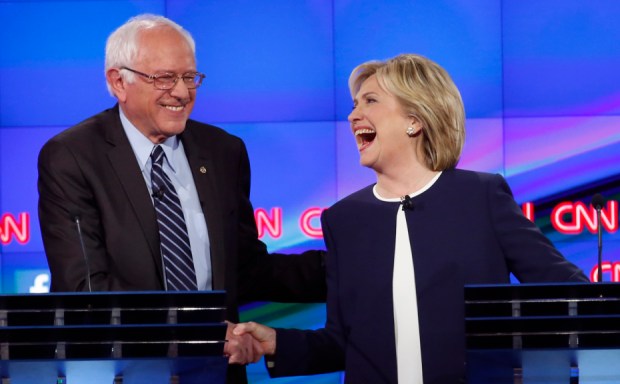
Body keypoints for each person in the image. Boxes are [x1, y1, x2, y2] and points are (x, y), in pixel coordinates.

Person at [232, 53, 590, 383]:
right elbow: (344, 341)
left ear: (414, 121)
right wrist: (276, 342)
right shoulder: (345, 220)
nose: (353, 115)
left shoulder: (481, 197)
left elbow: (568, 293)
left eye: (370, 101)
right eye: (355, 104)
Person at [37, 14, 326, 384]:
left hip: (216, 373)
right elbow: (87, 293)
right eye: (164, 78)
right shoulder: (73, 156)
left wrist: (348, 270)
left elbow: (246, 270)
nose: (181, 92)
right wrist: (198, 331)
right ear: (117, 82)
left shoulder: (222, 151)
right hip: (125, 374)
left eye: (190, 77)